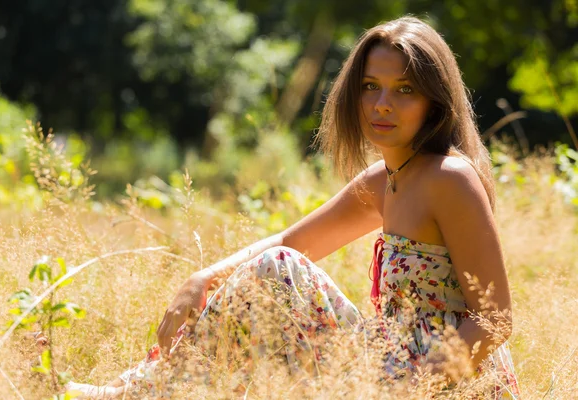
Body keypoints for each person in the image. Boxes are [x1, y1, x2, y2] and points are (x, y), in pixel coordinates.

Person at [67, 16, 520, 398]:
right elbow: (292, 241)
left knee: (279, 268)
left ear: (434, 102)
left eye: (404, 90)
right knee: (275, 269)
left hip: (447, 381)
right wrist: (200, 278)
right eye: (370, 86)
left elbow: (495, 319)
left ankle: (142, 392)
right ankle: (149, 389)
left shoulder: (449, 178)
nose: (382, 105)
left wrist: (412, 390)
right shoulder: (387, 180)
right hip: (389, 363)